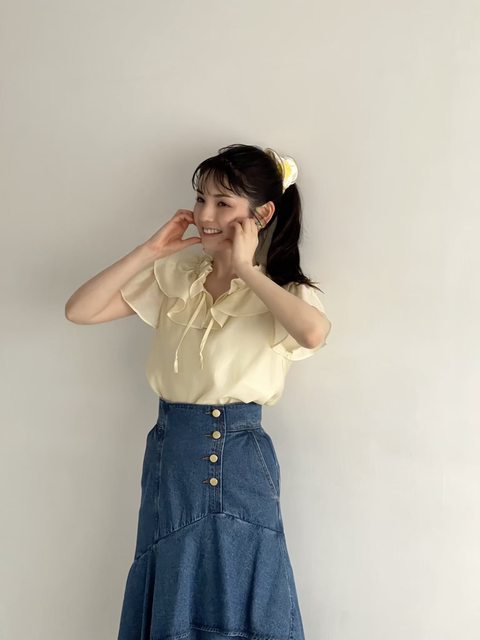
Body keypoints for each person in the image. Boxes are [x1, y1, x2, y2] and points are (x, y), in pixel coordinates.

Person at [65, 143, 332, 640]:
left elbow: (313, 334)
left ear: (261, 214)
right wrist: (151, 250)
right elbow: (80, 310)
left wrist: (247, 268)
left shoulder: (282, 291)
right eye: (201, 199)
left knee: (243, 580)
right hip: (170, 453)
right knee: (172, 578)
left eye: (223, 203)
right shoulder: (178, 280)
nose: (205, 215)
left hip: (240, 454)